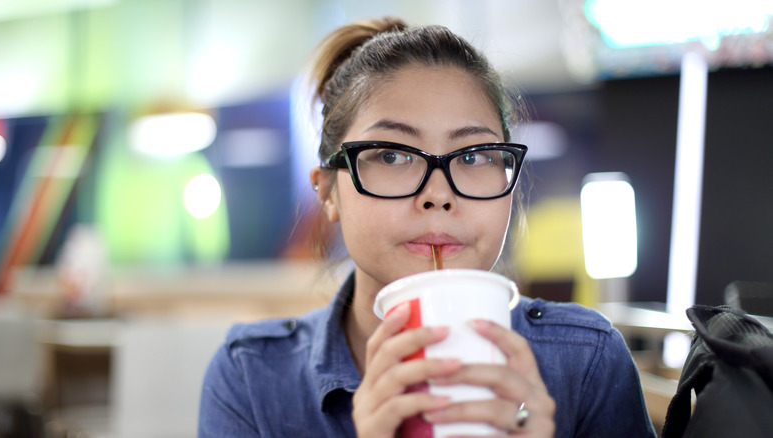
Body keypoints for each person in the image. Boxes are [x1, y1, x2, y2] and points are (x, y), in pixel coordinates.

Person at [199, 17, 657, 438]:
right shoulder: (254, 377)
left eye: (474, 156)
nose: (439, 194)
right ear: (328, 192)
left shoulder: (587, 362)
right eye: (393, 155)